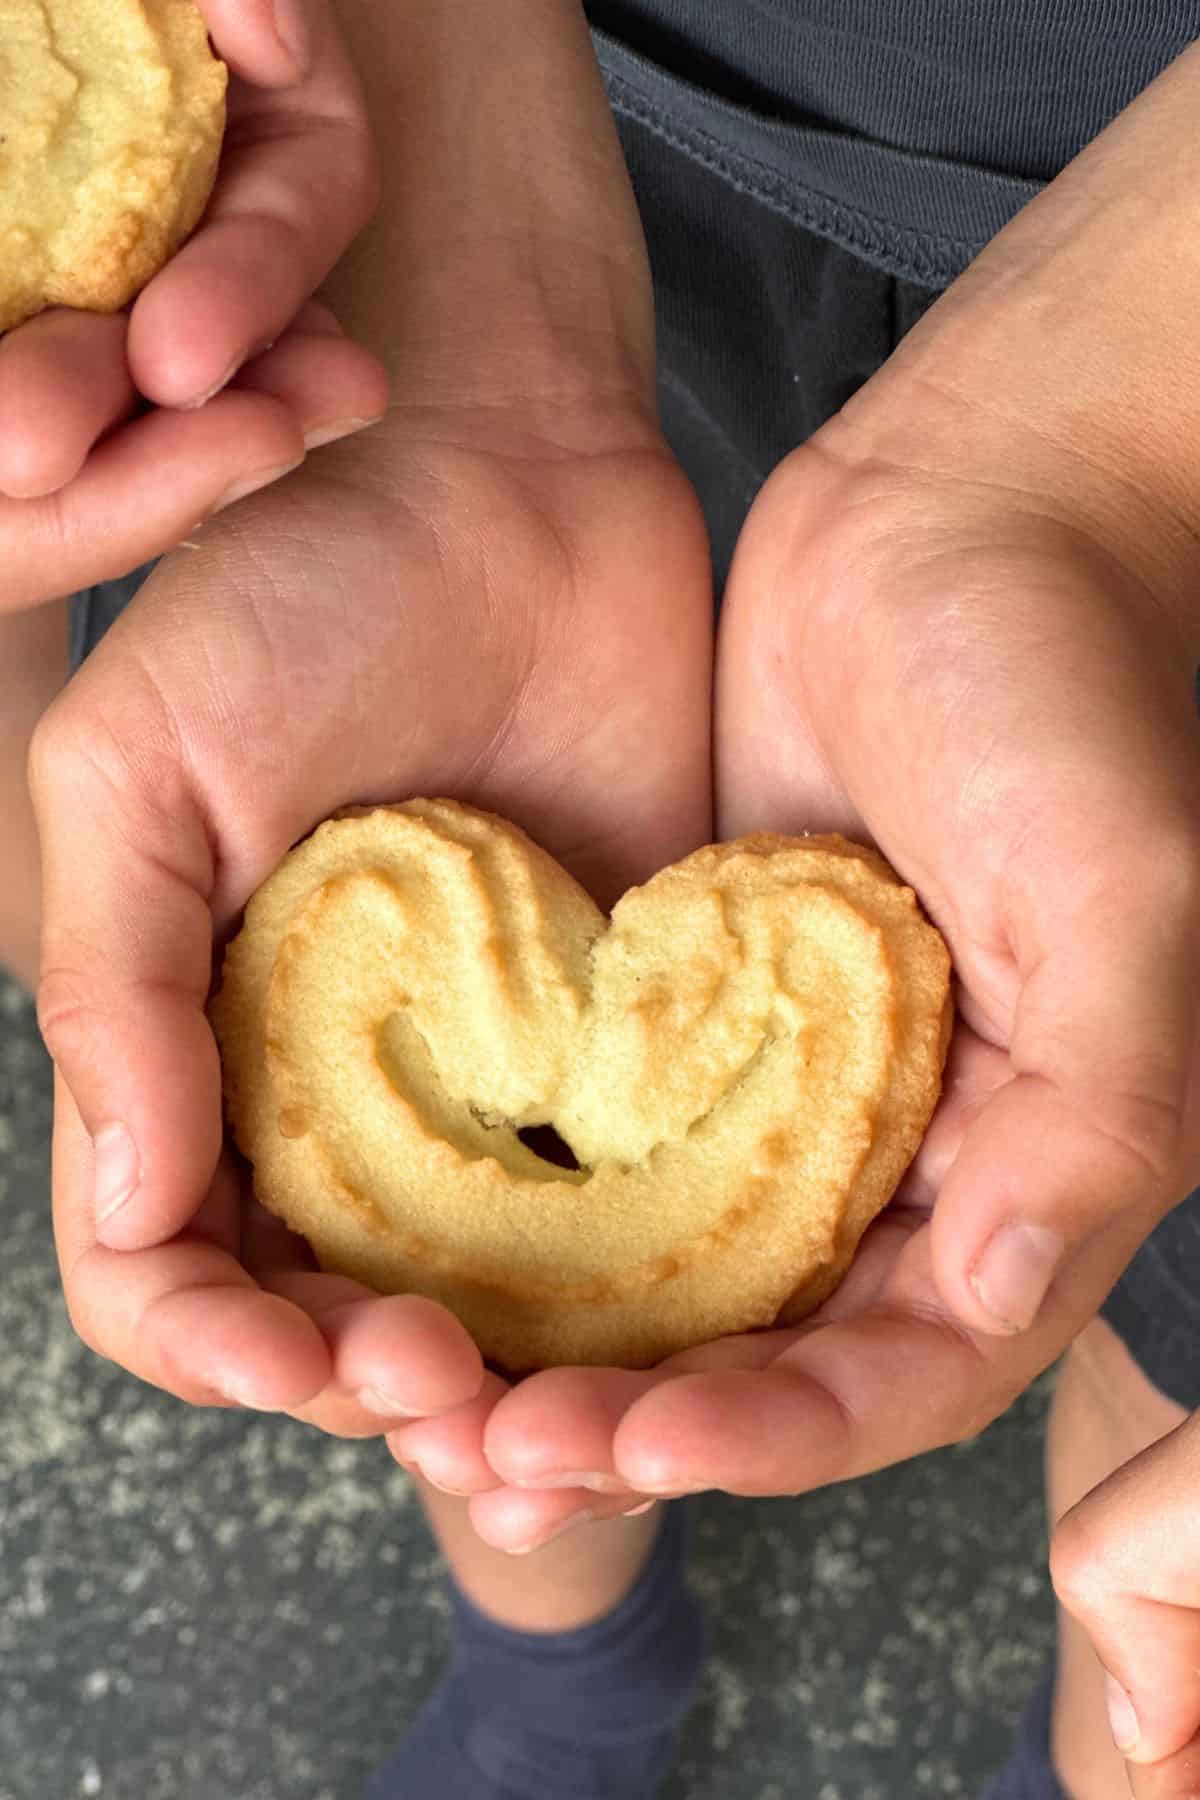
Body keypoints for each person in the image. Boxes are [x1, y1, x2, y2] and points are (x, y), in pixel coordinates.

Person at [1, 1, 1197, 1796]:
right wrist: (448, 190)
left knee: (1133, 1252)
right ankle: (564, 1669)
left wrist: (1107, 433)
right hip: (595, 118)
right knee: (452, 1359)